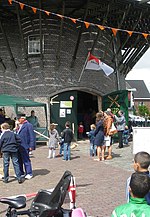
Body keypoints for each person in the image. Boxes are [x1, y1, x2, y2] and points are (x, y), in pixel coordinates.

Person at [16, 114, 35, 180]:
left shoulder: (28, 125)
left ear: (22, 119)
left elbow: (32, 136)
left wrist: (31, 146)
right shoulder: (18, 126)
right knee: (19, 160)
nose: (18, 120)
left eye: (19, 119)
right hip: (18, 146)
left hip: (25, 145)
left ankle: (29, 173)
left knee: (26, 160)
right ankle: (21, 172)